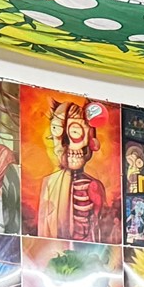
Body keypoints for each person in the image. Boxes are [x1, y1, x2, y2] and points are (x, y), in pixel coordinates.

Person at [35, 99, 112, 242]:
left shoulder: (96, 186)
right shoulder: (49, 184)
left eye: (76, 131)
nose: (68, 143)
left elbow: (103, 228)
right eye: (57, 130)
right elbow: (43, 231)